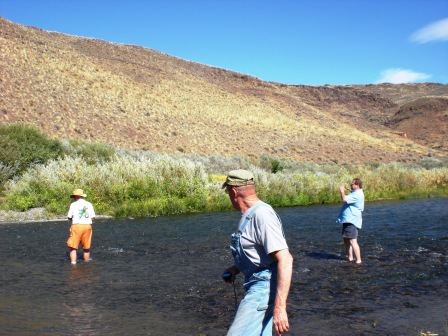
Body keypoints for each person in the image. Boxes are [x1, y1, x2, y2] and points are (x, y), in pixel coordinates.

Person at [221, 169, 293, 336]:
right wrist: (236, 267)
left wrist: (280, 308)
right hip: (255, 284)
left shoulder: (262, 215)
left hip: (262, 288)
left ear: (233, 191)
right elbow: (260, 252)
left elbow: (285, 260)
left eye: (227, 191)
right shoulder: (249, 215)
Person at [336, 178, 364, 264]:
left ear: (357, 185)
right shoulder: (354, 193)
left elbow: (344, 199)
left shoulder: (357, 194)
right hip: (348, 219)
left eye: (352, 184)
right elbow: (346, 198)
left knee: (352, 240)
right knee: (346, 239)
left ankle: (358, 260)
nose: (350, 185)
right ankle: (350, 258)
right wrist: (343, 193)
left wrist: (342, 191)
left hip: (352, 220)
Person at [67, 188, 96, 265]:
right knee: (86, 248)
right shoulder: (89, 204)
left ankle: (73, 265)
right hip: (87, 226)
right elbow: (93, 218)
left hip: (77, 226)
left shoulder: (73, 204)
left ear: (75, 196)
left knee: (73, 248)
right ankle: (86, 264)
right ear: (82, 196)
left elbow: (69, 217)